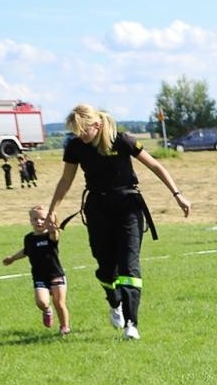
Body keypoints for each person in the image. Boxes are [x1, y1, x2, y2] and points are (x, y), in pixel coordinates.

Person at [46, 103, 191, 342]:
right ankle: (114, 301)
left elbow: (155, 165)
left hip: (128, 207)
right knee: (105, 268)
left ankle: (131, 323)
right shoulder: (74, 147)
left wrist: (177, 195)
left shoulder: (122, 140)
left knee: (128, 265)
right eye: (75, 131)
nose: (79, 136)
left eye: (83, 130)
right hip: (97, 208)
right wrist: (53, 210)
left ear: (97, 124)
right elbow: (65, 180)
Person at [1, 203, 70, 335]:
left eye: (43, 219)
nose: (39, 222)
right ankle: (47, 310)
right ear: (30, 220)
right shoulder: (29, 238)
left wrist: (54, 227)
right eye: (35, 219)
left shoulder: (50, 236)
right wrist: (12, 258)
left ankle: (64, 328)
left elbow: (55, 236)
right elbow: (26, 251)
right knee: (41, 302)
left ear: (48, 221)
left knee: (59, 303)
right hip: (39, 276)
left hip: (56, 274)